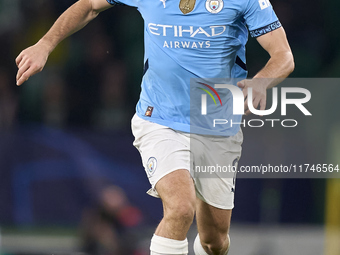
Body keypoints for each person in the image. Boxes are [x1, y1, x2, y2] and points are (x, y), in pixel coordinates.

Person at [15, 0, 294, 254]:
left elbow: (283, 56)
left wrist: (261, 81)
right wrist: (45, 44)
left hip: (217, 126)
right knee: (181, 207)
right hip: (159, 119)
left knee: (214, 240)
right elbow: (89, 5)